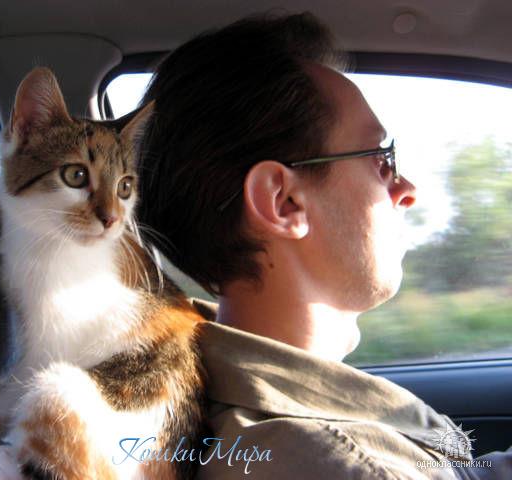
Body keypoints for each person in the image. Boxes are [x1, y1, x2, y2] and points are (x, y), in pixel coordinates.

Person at [137, 12, 512, 479]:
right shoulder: (338, 464)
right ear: (284, 202)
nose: (406, 189)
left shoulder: (234, 408)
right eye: (381, 158)